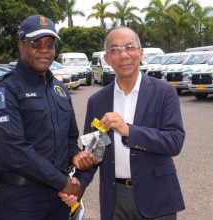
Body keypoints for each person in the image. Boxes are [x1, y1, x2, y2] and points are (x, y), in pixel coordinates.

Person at [62, 26, 186, 219]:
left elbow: (174, 142)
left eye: (129, 47)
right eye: (115, 50)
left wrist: (128, 130)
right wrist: (78, 183)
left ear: (140, 53)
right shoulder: (97, 101)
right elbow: (94, 152)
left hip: (156, 195)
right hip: (115, 198)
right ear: (107, 59)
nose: (124, 55)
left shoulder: (164, 92)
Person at [0, 14, 96, 220]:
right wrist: (65, 183)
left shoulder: (59, 89)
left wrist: (76, 156)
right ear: (21, 46)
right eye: (36, 43)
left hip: (58, 198)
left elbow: (69, 139)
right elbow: (14, 150)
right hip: (20, 200)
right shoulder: (4, 89)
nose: (44, 50)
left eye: (50, 44)